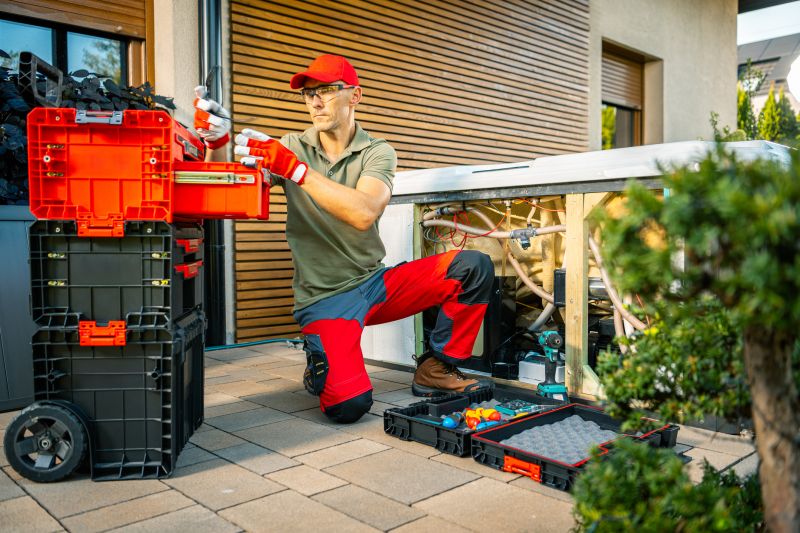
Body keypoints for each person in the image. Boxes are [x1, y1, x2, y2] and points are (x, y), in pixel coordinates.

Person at [193, 54, 493, 424]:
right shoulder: (291, 146)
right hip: (324, 298)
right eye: (308, 94)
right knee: (348, 407)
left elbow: (363, 212)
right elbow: (227, 193)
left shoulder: (376, 151)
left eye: (327, 90)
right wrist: (216, 141)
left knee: (472, 266)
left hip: (375, 284)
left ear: (355, 96)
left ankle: (437, 368)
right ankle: (319, 356)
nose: (315, 101)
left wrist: (297, 171)